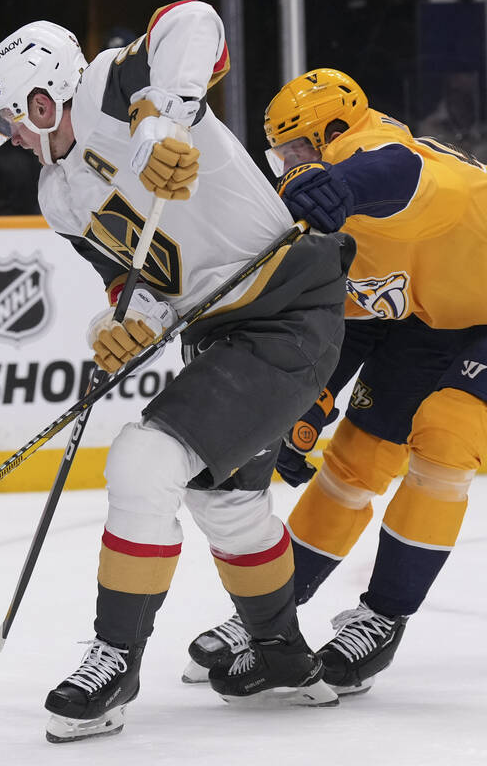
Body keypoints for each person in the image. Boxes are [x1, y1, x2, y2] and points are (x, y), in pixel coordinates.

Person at [0, 5, 354, 743]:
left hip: (286, 309)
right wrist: (129, 326)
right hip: (219, 329)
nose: (12, 136)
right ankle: (281, 656)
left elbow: (195, 20)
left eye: (12, 118)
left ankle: (115, 661)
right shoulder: (59, 195)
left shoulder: (108, 91)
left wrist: (161, 120)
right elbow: (136, 279)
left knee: (145, 460)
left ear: (42, 96)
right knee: (227, 506)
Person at [185, 67, 487, 696]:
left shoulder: (388, 159)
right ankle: (271, 614)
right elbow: (356, 323)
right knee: (352, 462)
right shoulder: (338, 219)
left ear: (332, 133)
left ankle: (383, 615)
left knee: (443, 443)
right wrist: (312, 405)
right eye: (279, 155)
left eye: (294, 149)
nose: (286, 166)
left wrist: (335, 182)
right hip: (431, 318)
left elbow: (396, 170)